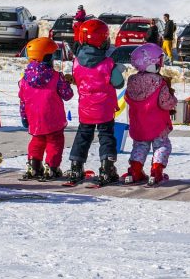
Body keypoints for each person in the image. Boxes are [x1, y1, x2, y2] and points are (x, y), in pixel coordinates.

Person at [66, 19, 126, 186]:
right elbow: (118, 83)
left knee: (83, 135)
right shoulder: (108, 64)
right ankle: (107, 167)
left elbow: (78, 79)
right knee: (106, 136)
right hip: (104, 107)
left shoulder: (76, 62)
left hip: (86, 106)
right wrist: (117, 70)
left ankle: (76, 165)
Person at [19, 37, 74, 181]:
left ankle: (34, 166)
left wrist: (24, 117)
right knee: (54, 142)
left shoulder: (25, 79)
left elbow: (23, 101)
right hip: (53, 119)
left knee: (37, 141)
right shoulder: (56, 77)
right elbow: (67, 95)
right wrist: (67, 83)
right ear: (47, 58)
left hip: (35, 119)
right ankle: (51, 167)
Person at [122, 43, 176, 186]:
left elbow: (128, 98)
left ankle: (135, 170)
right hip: (157, 124)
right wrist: (173, 100)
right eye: (160, 61)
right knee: (162, 145)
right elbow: (165, 103)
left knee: (140, 146)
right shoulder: (159, 82)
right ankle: (156, 171)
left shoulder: (132, 81)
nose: (161, 64)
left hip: (139, 123)